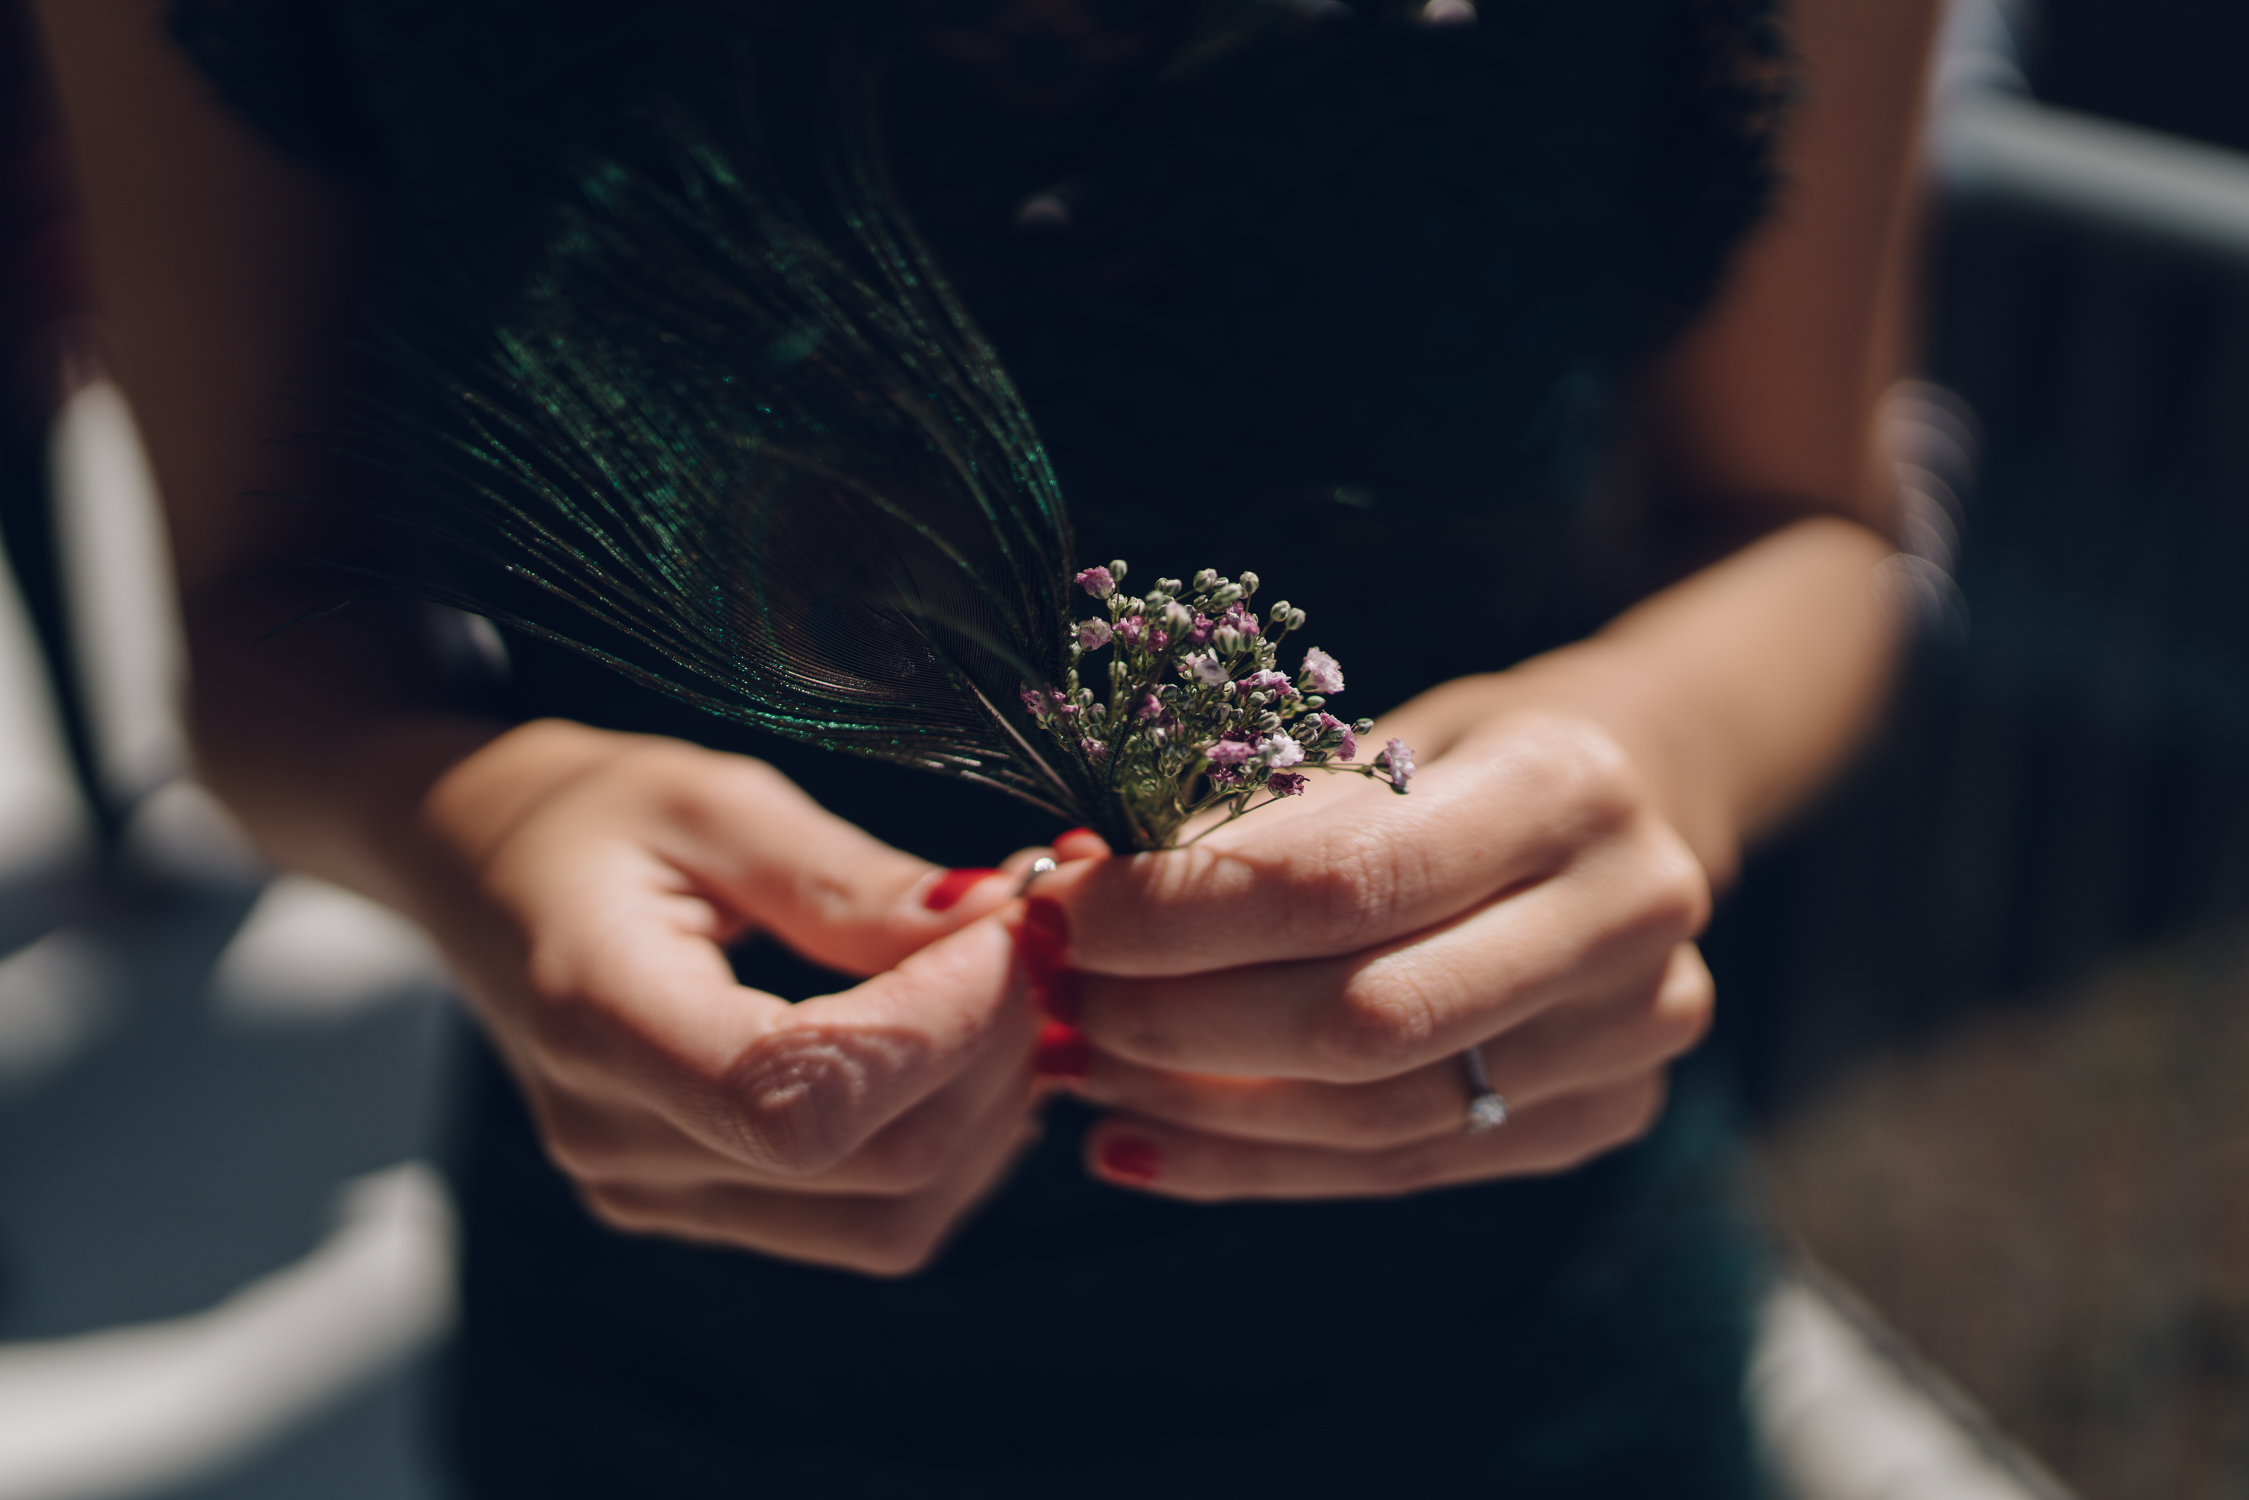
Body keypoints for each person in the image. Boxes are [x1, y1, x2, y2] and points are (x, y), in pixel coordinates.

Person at [37, 0, 1940, 1493]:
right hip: (671, 1368)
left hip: (1511, 1347)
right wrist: (477, 820)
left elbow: (1806, 526)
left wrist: (1635, 753)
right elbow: (256, 613)